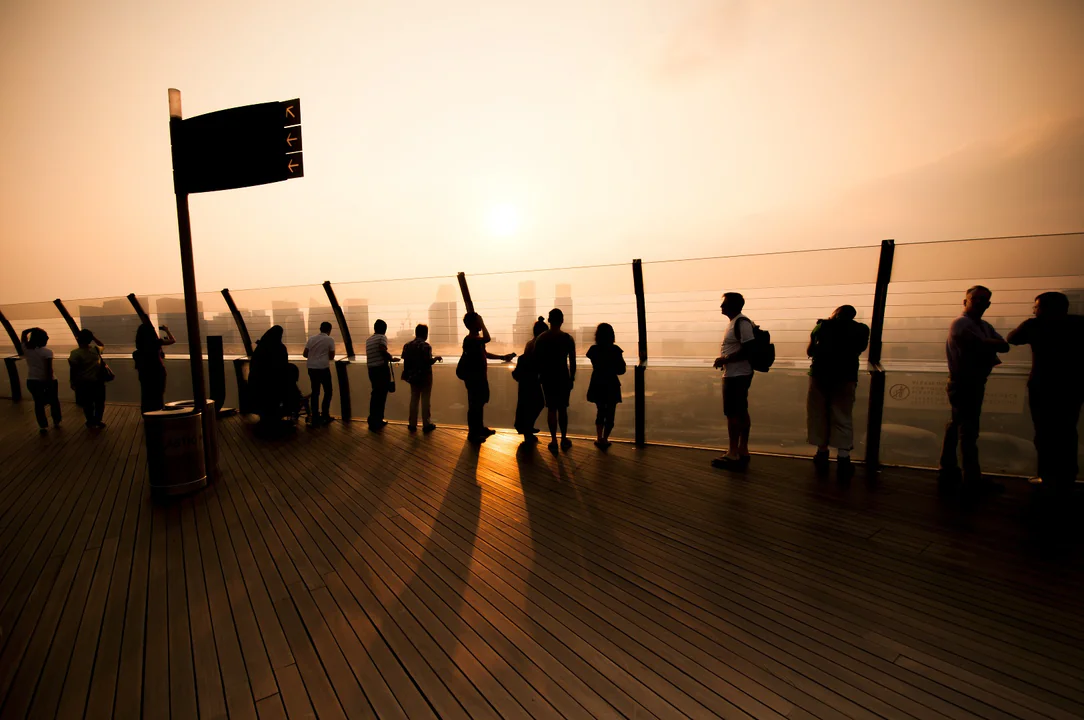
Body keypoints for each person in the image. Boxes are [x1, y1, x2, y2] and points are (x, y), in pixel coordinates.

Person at [1007, 291, 1084, 494]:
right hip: (1072, 387)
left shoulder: (1034, 326)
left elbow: (1012, 339)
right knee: (1068, 431)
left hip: (1043, 386)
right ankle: (1068, 476)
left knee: (1044, 432)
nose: (1034, 310)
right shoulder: (1078, 324)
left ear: (1045, 309)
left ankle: (1047, 475)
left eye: (1037, 307)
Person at [939, 285, 1009, 493]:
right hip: (965, 383)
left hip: (968, 382)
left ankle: (949, 469)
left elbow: (1002, 345)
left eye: (983, 299)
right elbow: (997, 345)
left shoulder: (977, 325)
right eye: (976, 298)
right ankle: (971, 478)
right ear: (966, 301)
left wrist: (987, 343)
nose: (979, 302)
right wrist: (990, 343)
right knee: (968, 430)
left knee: (958, 425)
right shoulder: (963, 324)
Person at [805, 305, 870, 478]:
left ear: (836, 313)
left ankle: (822, 452)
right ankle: (843, 457)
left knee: (819, 413)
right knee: (843, 415)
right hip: (846, 377)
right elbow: (860, 349)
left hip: (820, 375)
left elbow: (810, 351)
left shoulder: (822, 326)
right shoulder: (862, 330)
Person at [711, 292, 756, 469]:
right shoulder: (737, 322)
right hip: (738, 373)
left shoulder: (741, 323)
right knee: (741, 411)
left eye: (724, 304)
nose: (721, 307)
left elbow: (748, 348)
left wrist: (725, 359)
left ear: (733, 306)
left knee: (733, 414)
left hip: (736, 375)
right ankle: (741, 450)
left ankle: (733, 453)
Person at [459, 312, 515, 443]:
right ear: (473, 324)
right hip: (474, 378)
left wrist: (502, 357)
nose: (480, 324)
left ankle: (479, 428)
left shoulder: (475, 339)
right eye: (478, 321)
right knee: (475, 405)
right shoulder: (470, 340)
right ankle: (473, 433)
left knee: (479, 403)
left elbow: (485, 354)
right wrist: (483, 323)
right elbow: (488, 338)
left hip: (479, 377)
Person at [534, 308, 577, 451]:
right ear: (562, 320)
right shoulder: (567, 338)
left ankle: (553, 441)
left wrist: (540, 375)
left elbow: (537, 361)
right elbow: (572, 361)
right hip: (563, 376)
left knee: (551, 408)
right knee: (563, 409)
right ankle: (564, 439)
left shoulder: (541, 338)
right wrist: (572, 377)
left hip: (547, 377)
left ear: (549, 320)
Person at [586, 322, 626, 448]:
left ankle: (599, 438)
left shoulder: (593, 350)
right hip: (611, 384)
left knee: (600, 412)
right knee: (610, 414)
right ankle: (605, 438)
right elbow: (621, 370)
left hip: (597, 383)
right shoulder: (615, 350)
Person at [401, 324, 442, 433]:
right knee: (425, 400)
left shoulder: (407, 345)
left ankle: (412, 424)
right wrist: (436, 358)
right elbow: (428, 362)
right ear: (425, 333)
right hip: (425, 377)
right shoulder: (426, 346)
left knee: (414, 399)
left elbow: (406, 362)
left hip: (412, 377)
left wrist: (407, 375)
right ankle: (426, 424)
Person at [513, 316, 548, 439]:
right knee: (538, 403)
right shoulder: (540, 344)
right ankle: (528, 428)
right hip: (532, 378)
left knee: (527, 404)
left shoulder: (530, 343)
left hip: (525, 378)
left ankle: (527, 428)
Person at [20, 327, 61, 431]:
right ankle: (56, 421)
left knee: (38, 403)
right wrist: (49, 383)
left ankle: (43, 425)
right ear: (42, 339)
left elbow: (24, 334)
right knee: (54, 401)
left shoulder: (26, 348)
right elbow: (48, 370)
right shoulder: (48, 352)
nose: (47, 338)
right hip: (48, 380)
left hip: (32, 380)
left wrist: (34, 329)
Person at [249, 325, 291, 423]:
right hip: (274, 380)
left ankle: (265, 418)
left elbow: (254, 363)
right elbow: (283, 364)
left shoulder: (261, 346)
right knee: (273, 400)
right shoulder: (280, 347)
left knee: (263, 400)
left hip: (260, 380)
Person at [68, 328, 107, 429]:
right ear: (89, 339)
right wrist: (93, 337)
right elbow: (102, 345)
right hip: (98, 381)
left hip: (84, 382)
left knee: (88, 403)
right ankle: (98, 420)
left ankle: (90, 421)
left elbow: (74, 370)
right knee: (99, 402)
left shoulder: (75, 353)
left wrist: (72, 382)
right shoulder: (95, 350)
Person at [133, 323, 176, 413]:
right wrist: (166, 330)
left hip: (144, 373)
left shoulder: (140, 346)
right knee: (158, 394)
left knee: (146, 394)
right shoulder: (156, 343)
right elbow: (172, 340)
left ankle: (147, 412)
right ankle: (158, 413)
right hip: (157, 371)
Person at [365, 320, 398, 429]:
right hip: (381, 370)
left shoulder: (368, 340)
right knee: (381, 395)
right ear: (384, 329)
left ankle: (372, 419)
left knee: (375, 394)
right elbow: (382, 350)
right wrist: (391, 358)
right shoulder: (382, 337)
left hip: (371, 370)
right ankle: (378, 420)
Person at [303, 321, 336, 425]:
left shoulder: (311, 339)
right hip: (323, 368)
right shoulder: (330, 340)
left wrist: (314, 356)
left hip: (311, 368)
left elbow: (305, 354)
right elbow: (331, 356)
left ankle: (315, 415)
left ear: (320, 328)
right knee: (328, 391)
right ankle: (325, 414)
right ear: (329, 330)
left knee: (315, 391)